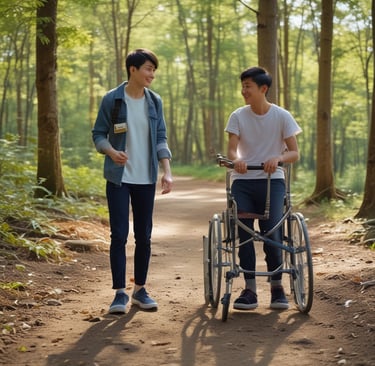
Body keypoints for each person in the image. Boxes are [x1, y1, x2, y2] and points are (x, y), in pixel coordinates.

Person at [92, 48, 173, 314]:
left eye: (154, 70)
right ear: (133, 70)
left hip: (146, 177)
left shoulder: (154, 101)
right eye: (148, 69)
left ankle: (140, 290)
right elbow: (98, 135)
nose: (152, 74)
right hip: (119, 178)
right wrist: (111, 151)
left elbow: (161, 136)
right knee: (118, 235)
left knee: (144, 237)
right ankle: (119, 294)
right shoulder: (112, 100)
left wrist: (167, 170)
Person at [224, 66, 301, 310]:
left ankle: (277, 287)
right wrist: (237, 160)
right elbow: (232, 150)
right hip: (243, 182)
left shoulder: (282, 116)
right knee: (244, 234)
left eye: (248, 86)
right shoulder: (237, 116)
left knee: (272, 233)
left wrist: (278, 159)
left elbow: (295, 152)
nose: (243, 90)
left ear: (263, 89)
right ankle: (249, 290)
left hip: (272, 181)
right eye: (243, 85)